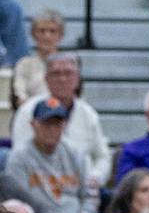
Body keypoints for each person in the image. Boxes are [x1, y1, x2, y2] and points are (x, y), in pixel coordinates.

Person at [10, 52, 112, 193]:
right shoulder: (28, 111)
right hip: (39, 186)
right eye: (56, 73)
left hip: (83, 185)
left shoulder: (88, 114)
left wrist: (96, 177)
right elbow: (19, 155)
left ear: (77, 79)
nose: (63, 79)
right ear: (46, 79)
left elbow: (102, 155)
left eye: (68, 73)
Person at [7, 98, 96, 213]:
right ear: (33, 125)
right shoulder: (19, 157)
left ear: (64, 126)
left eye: (57, 124)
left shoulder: (76, 154)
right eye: (46, 124)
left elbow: (90, 193)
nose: (52, 129)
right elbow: (20, 199)